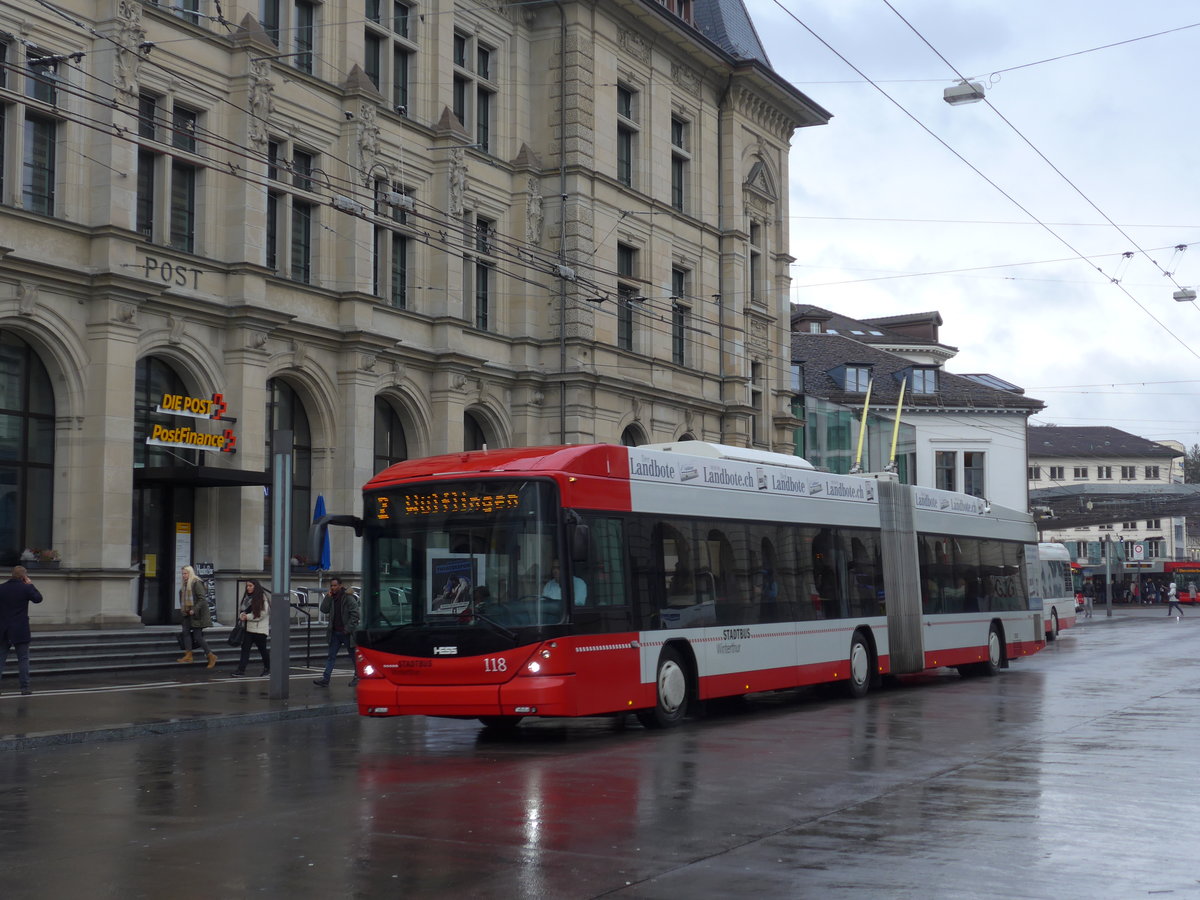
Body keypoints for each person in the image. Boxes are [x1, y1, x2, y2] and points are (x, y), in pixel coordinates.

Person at [0, 565, 43, 695]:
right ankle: (25, 687)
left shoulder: (1, 588)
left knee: (1, 659)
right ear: (24, 576)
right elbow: (38, 599)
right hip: (20, 628)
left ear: (11, 574)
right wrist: (30, 585)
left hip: (3, 629)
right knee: (23, 659)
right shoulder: (26, 588)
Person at [313, 577, 360, 686]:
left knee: (353, 656)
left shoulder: (348, 597)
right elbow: (323, 609)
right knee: (331, 656)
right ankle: (326, 678)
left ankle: (358, 677)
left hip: (347, 633)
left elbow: (355, 614)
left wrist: (348, 629)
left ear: (340, 585)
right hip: (335, 632)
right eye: (331, 586)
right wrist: (328, 597)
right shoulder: (332, 598)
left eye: (335, 585)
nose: (333, 588)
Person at [176, 564, 217, 668]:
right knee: (185, 632)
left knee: (198, 636)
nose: (184, 575)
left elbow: (202, 598)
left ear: (190, 573)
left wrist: (194, 609)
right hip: (187, 613)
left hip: (197, 614)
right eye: (183, 574)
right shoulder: (185, 584)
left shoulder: (196, 582)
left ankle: (211, 655)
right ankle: (188, 655)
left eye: (185, 573)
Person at [231, 579, 270, 677]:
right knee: (245, 649)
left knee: (263, 650)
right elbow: (243, 610)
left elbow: (262, 614)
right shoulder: (247, 598)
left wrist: (247, 617)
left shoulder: (262, 598)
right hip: (248, 629)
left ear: (255, 587)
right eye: (247, 586)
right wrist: (242, 615)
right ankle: (241, 670)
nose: (248, 588)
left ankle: (268, 669)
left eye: (250, 586)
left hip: (259, 630)